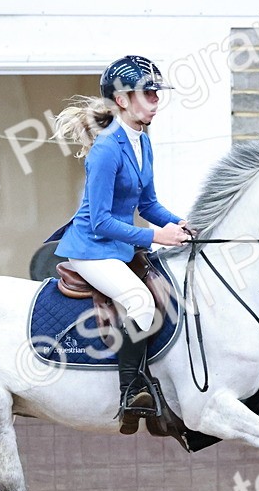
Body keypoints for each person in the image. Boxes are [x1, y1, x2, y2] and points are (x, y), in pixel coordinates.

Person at [50, 55, 191, 433]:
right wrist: (154, 236)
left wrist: (177, 222)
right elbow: (100, 220)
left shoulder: (142, 142)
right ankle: (131, 391)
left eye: (157, 94)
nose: (155, 101)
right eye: (149, 93)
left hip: (117, 247)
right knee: (141, 301)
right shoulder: (107, 148)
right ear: (124, 99)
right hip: (90, 249)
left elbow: (147, 205)